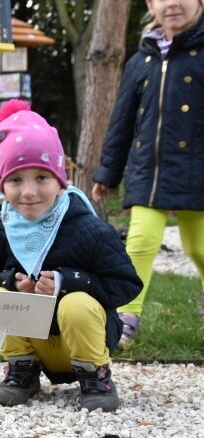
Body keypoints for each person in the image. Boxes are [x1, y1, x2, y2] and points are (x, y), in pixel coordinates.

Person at [0, 99, 142, 412]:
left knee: (77, 304)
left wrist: (68, 283)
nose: (28, 192)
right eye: (15, 180)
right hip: (31, 341)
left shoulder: (88, 228)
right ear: (2, 185)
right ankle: (22, 371)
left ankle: (95, 375)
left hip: (81, 337)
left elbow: (127, 284)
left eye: (42, 178)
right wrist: (9, 282)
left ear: (61, 182)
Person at [92, 0, 204, 347]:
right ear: (150, 5)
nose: (172, 3)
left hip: (198, 170)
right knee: (140, 241)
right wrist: (107, 172)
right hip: (148, 170)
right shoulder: (140, 61)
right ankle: (127, 314)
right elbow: (121, 122)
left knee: (199, 246)